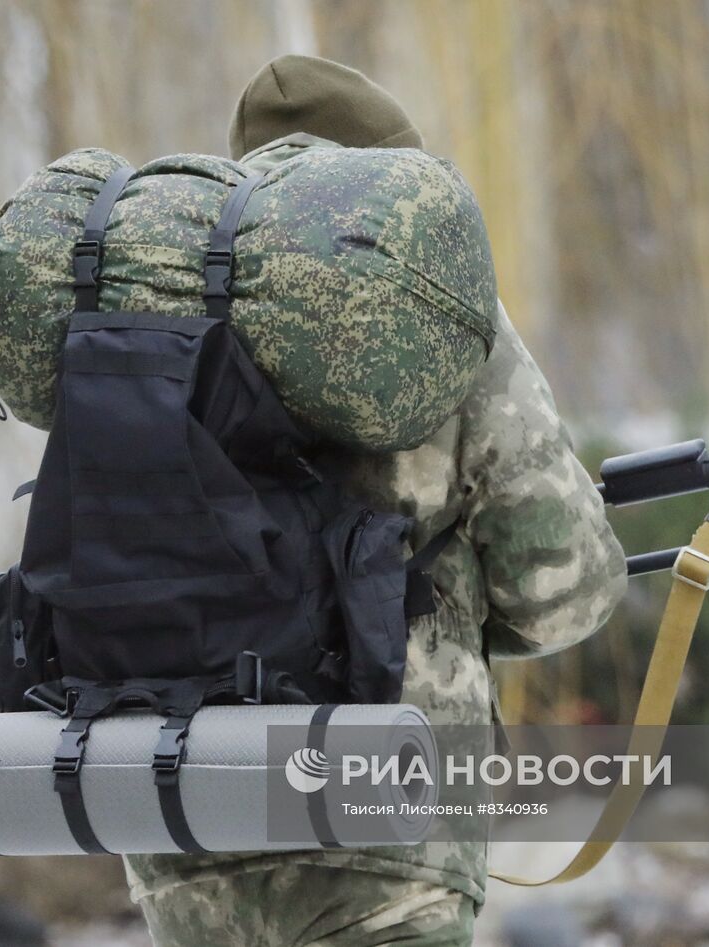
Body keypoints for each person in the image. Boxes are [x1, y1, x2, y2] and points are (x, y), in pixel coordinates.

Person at [123, 55, 628, 946]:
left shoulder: (158, 300)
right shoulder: (428, 300)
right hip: (385, 833)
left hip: (183, 824)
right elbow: (563, 589)